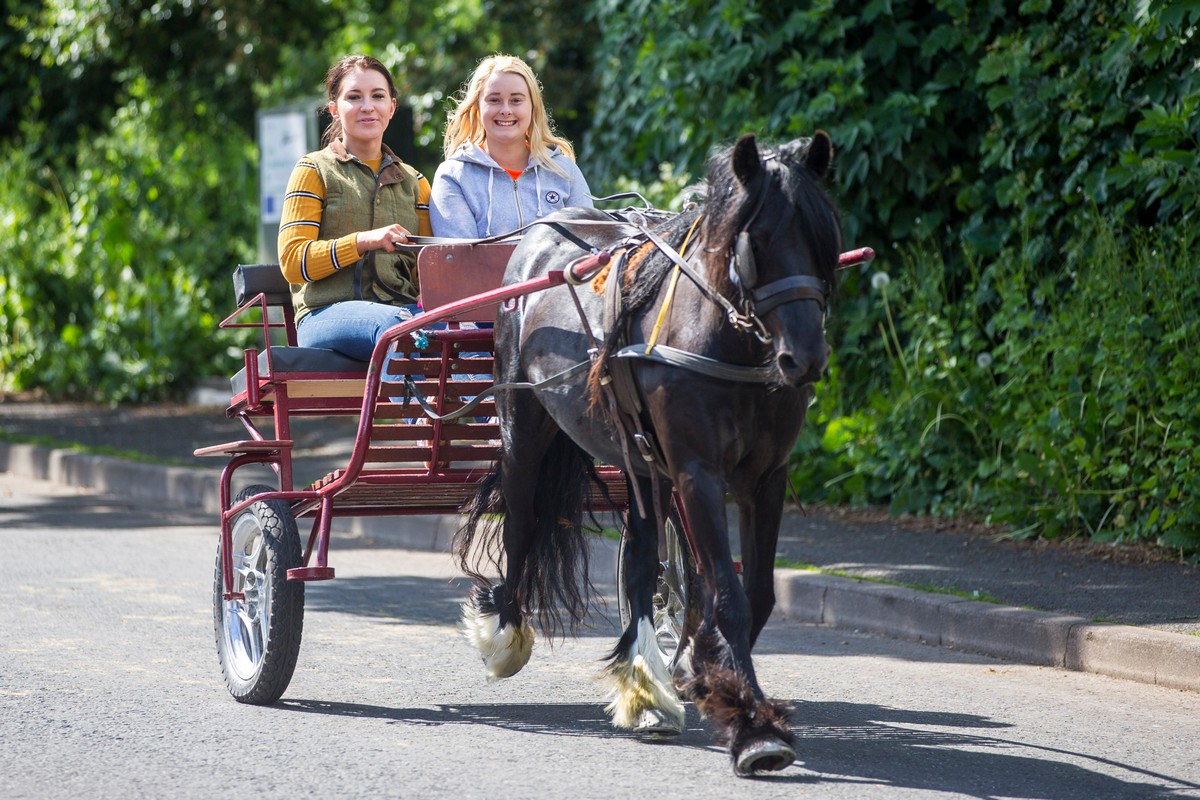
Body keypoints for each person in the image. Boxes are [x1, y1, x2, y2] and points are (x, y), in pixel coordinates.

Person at [277, 54, 432, 362]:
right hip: (325, 315)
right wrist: (363, 241)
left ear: (392, 107)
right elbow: (293, 261)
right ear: (334, 109)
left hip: (402, 312)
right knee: (396, 329)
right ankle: (420, 412)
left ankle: (491, 413)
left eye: (377, 96)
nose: (367, 106)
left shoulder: (416, 182)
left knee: (466, 333)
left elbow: (427, 268)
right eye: (354, 97)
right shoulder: (314, 170)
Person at [430, 54, 593, 240]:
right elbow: (459, 260)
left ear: (533, 107)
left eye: (516, 100)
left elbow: (589, 248)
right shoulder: (454, 175)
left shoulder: (564, 171)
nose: (506, 110)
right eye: (494, 100)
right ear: (477, 107)